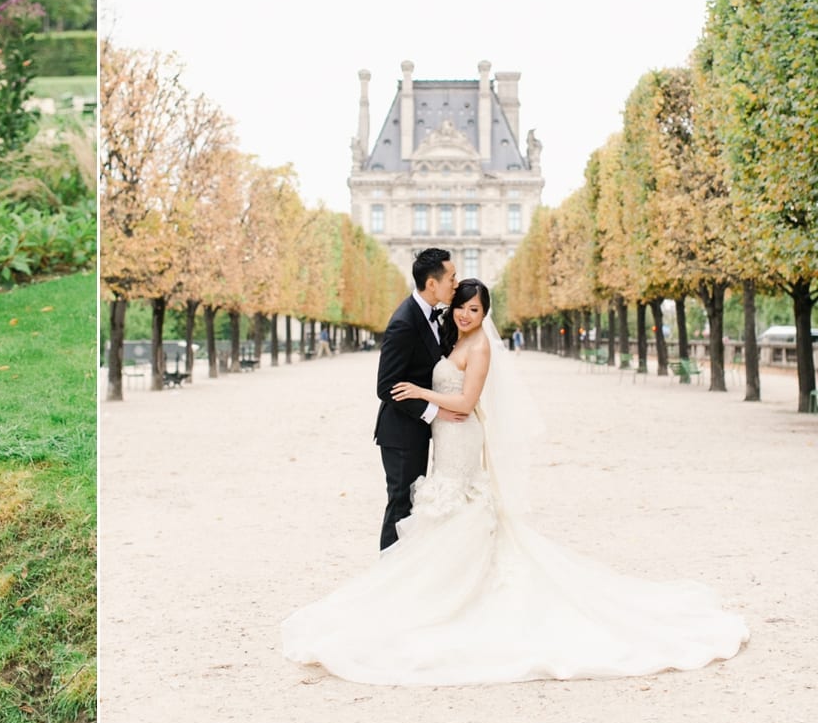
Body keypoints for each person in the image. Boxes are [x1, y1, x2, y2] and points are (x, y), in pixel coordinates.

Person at [281, 278, 748, 685]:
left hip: (460, 436)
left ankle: (446, 598)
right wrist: (428, 400)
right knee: (438, 512)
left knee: (459, 510)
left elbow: (464, 403)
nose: (466, 314)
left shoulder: (479, 346)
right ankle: (424, 594)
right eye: (461, 305)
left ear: (485, 315)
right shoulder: (448, 334)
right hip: (443, 438)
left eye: (475, 309)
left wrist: (422, 392)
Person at [373, 247, 461, 552]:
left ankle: (404, 572)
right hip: (400, 433)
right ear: (432, 283)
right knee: (400, 504)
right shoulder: (404, 321)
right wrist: (434, 411)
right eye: (452, 277)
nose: (456, 283)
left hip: (415, 430)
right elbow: (386, 386)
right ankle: (387, 575)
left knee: (413, 504)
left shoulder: (432, 316)